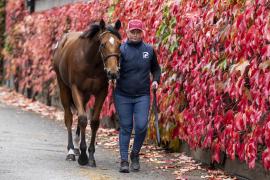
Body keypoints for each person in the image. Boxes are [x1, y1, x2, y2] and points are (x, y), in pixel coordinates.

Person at [114, 19, 161, 173]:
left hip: (142, 95)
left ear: (142, 33)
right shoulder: (120, 50)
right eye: (132, 31)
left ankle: (135, 154)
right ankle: (123, 161)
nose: (135, 34)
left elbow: (156, 69)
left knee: (141, 126)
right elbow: (112, 68)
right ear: (127, 32)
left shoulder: (149, 50)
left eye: (138, 32)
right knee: (126, 127)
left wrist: (155, 81)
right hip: (123, 95)